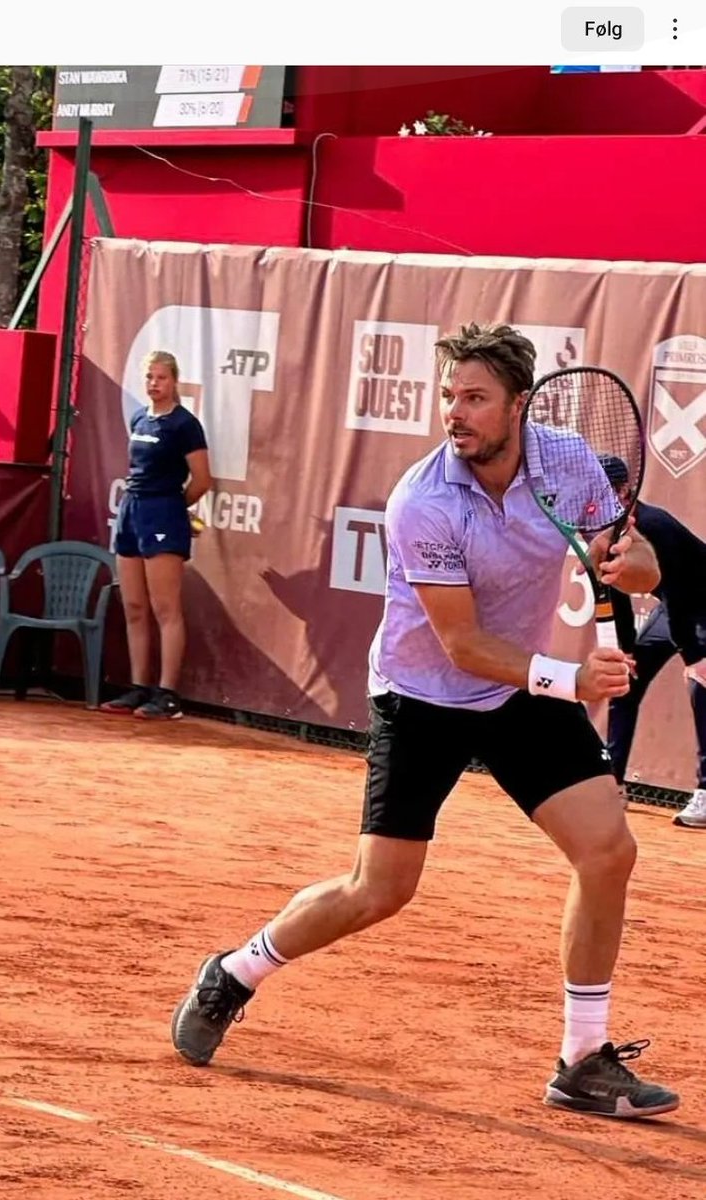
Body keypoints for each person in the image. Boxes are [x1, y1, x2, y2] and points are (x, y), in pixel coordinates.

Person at [170, 323, 680, 1119]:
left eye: (473, 397)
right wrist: (574, 677)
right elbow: (461, 644)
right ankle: (236, 972)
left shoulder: (567, 460)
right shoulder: (423, 499)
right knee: (379, 890)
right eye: (448, 396)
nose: (454, 412)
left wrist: (633, 562)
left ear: (518, 405)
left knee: (608, 850)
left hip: (517, 693)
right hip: (422, 697)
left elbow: (625, 548)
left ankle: (581, 1057)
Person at [99, 350, 212, 720]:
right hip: (131, 511)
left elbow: (202, 479)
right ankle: (139, 687)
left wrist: (173, 507)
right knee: (133, 606)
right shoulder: (139, 418)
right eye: (149, 377)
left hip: (164, 513)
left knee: (166, 608)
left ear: (174, 381)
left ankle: (167, 694)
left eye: (161, 378)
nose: (154, 384)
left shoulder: (185, 425)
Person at [598, 455, 706, 828]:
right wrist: (626, 650)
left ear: (626, 492)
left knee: (701, 686)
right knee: (625, 682)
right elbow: (616, 593)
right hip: (676, 607)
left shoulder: (654, 525)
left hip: (699, 602)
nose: (601, 501)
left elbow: (679, 592)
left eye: (609, 492)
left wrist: (695, 657)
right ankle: (612, 783)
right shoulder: (602, 528)